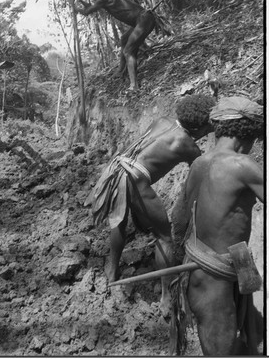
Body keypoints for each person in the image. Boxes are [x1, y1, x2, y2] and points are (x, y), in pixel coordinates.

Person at [87, 93, 215, 318]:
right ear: (199, 127)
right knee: (164, 237)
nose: (207, 133)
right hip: (136, 179)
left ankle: (111, 270)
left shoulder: (162, 121)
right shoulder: (187, 145)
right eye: (207, 129)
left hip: (117, 168)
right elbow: (202, 169)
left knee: (119, 220)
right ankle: (167, 296)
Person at [171, 96, 263, 355]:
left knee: (239, 339)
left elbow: (180, 218)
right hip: (214, 278)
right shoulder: (243, 165)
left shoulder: (199, 163)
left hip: (203, 268)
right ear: (248, 133)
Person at [70, 0, 171, 91]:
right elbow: (91, 6)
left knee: (128, 50)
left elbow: (87, 11)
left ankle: (134, 86)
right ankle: (121, 71)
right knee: (124, 39)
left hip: (144, 19)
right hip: (143, 19)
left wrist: (73, 7)